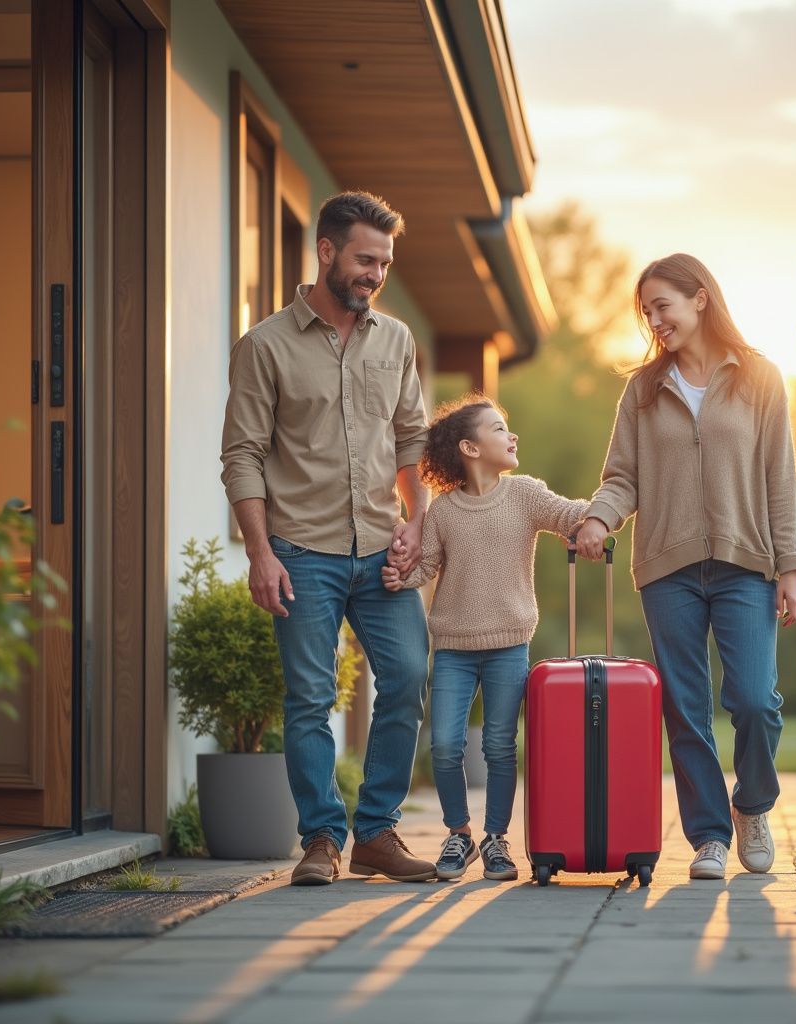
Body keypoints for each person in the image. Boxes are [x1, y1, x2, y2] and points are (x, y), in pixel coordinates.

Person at [220, 191, 436, 886]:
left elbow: (411, 439)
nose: (376, 274)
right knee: (310, 698)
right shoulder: (265, 346)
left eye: (385, 263)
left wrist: (418, 521)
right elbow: (243, 454)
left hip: (382, 549)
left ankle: (376, 833)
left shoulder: (396, 341)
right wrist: (259, 551)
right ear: (326, 252)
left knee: (405, 678)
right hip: (300, 552)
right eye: (366, 260)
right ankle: (321, 839)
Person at [575, 253, 796, 881]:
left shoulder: (760, 378)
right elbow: (622, 476)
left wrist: (792, 567)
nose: (654, 321)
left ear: (700, 298)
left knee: (756, 701)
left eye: (663, 307)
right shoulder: (644, 390)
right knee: (684, 707)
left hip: (746, 564)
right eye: (647, 311)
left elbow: (779, 479)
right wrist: (600, 518)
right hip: (668, 568)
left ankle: (752, 806)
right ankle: (708, 835)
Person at [383, 395, 589, 881]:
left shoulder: (526, 494)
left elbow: (569, 514)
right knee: (444, 746)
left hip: (508, 645)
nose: (511, 435)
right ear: (470, 448)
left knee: (500, 745)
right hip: (453, 647)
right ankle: (459, 834)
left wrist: (601, 514)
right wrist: (400, 577)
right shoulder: (444, 512)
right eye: (499, 429)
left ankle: (497, 840)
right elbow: (426, 567)